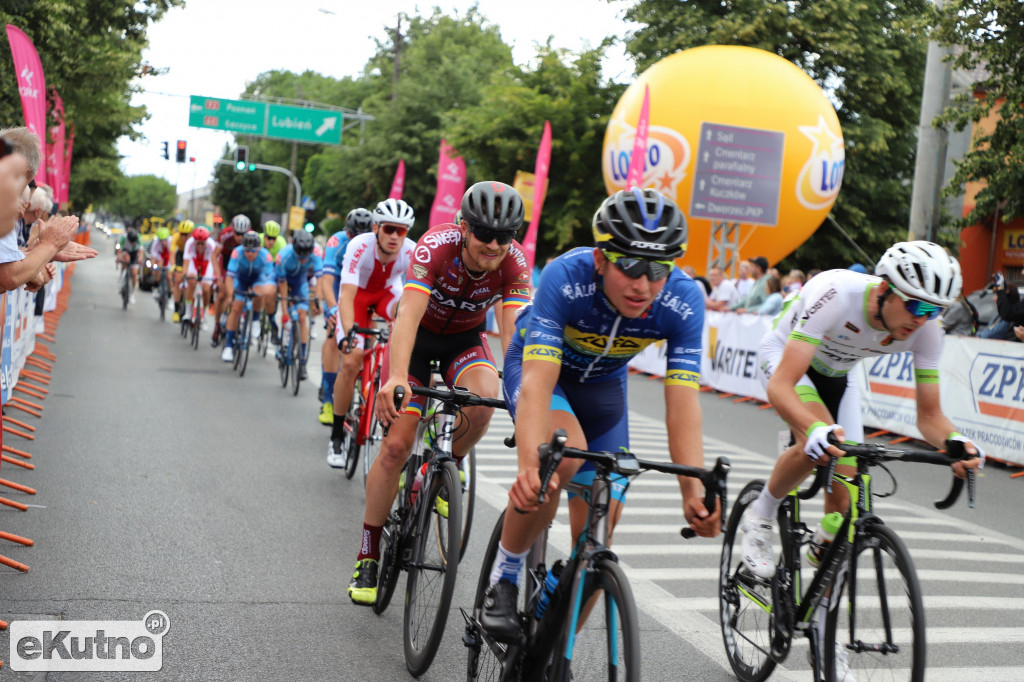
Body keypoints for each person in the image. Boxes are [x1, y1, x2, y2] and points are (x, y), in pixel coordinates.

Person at [478, 187, 720, 641]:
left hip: (604, 391)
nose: (642, 284)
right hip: (539, 371)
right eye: (629, 264)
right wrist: (531, 467)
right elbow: (538, 382)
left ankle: (556, 649)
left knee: (595, 541)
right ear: (600, 259)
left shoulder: (683, 301)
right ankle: (503, 577)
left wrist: (693, 489)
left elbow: (683, 403)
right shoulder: (565, 276)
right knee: (560, 460)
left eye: (657, 269)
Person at [739, 241, 983, 676]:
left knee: (846, 513)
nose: (920, 319)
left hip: (839, 377)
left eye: (932, 311)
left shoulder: (926, 327)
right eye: (914, 306)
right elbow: (782, 386)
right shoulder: (835, 295)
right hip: (785, 362)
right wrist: (811, 428)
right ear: (884, 289)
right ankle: (761, 515)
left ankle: (824, 633)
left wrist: (956, 442)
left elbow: (929, 417)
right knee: (819, 445)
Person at [347, 181, 531, 605]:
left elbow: (517, 338)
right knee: (395, 447)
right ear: (464, 228)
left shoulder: (514, 264)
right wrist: (395, 377)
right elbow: (408, 317)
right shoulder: (435, 247)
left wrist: (523, 400)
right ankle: (369, 553)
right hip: (417, 343)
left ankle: (449, 463)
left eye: (504, 236)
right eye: (484, 234)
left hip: (463, 343)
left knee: (486, 399)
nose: (493, 245)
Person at [326, 200, 416, 463]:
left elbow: (412, 299)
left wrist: (404, 326)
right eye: (389, 229)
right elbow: (347, 293)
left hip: (387, 295)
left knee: (404, 310)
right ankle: (336, 438)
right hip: (357, 298)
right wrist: (349, 335)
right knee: (352, 359)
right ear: (376, 228)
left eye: (401, 231)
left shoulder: (411, 252)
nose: (394, 236)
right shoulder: (359, 246)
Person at [318, 208, 373, 425]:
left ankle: (363, 384)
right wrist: (332, 309)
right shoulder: (336, 242)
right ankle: (328, 399)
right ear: (346, 232)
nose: (356, 241)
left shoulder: (374, 244)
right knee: (334, 337)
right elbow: (326, 281)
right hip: (338, 289)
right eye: (353, 235)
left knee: (372, 337)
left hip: (361, 291)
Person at [273, 230, 323, 378]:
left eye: (305, 257)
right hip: (284, 282)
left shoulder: (316, 253)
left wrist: (317, 301)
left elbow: (320, 278)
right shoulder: (284, 255)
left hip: (300, 282)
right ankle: (284, 342)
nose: (302, 260)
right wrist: (284, 312)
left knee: (302, 317)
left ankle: (302, 361)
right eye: (299, 256)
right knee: (288, 314)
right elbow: (281, 283)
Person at [220, 231, 276, 362]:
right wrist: (230, 296)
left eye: (253, 251)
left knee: (260, 292)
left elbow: (269, 279)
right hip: (241, 278)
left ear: (259, 249)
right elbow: (229, 277)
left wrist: (265, 291)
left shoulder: (266, 256)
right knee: (236, 307)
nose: (250, 254)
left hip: (257, 278)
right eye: (247, 250)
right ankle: (228, 346)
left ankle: (255, 319)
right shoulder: (237, 253)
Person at [211, 215, 251, 346]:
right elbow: (215, 255)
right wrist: (218, 277)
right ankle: (217, 326)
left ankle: (240, 322)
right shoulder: (224, 235)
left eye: (242, 234)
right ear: (232, 229)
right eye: (237, 233)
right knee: (222, 293)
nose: (240, 237)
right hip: (226, 262)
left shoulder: (251, 237)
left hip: (241, 264)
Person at [170, 220, 194, 322]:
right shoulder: (176, 237)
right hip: (181, 255)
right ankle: (176, 310)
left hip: (192, 256)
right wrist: (174, 266)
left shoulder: (194, 240)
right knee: (178, 280)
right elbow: (172, 253)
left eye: (186, 234)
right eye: (182, 234)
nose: (183, 237)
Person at [117, 228, 145, 304]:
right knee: (125, 259)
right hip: (126, 251)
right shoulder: (123, 238)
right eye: (131, 241)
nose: (132, 243)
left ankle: (132, 292)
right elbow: (119, 251)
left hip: (135, 253)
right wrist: (119, 258)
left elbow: (141, 252)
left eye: (133, 242)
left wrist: (139, 259)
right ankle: (122, 275)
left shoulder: (139, 238)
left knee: (134, 273)